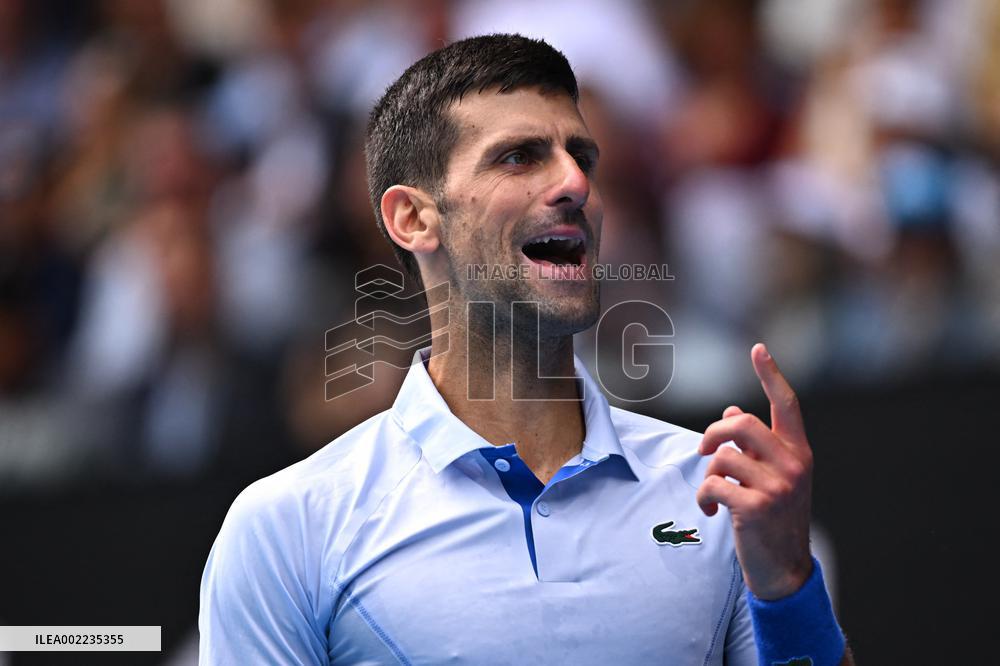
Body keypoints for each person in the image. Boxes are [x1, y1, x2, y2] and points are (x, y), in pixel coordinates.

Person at [199, 34, 854, 665]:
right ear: (414, 218)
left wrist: (789, 586)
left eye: (583, 158)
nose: (575, 183)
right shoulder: (287, 529)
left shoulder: (714, 500)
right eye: (519, 156)